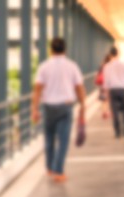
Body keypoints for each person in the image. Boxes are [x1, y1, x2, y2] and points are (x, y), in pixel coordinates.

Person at [31, 38, 86, 184]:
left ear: (51, 49)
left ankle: (49, 168)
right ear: (65, 50)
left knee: (49, 138)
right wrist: (83, 105)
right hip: (65, 107)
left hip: (48, 107)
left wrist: (34, 109)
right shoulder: (72, 66)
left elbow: (37, 90)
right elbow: (79, 87)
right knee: (63, 140)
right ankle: (58, 171)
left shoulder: (43, 66)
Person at [103, 46, 124, 138]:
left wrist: (106, 93)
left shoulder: (107, 66)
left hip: (113, 90)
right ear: (118, 54)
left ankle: (117, 131)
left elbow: (106, 82)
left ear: (110, 54)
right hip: (123, 89)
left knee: (114, 110)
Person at [96, 54, 112, 119]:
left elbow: (98, 74)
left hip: (102, 84)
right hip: (108, 85)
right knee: (108, 99)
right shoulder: (110, 66)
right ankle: (107, 111)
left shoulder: (101, 66)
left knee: (103, 100)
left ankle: (103, 112)